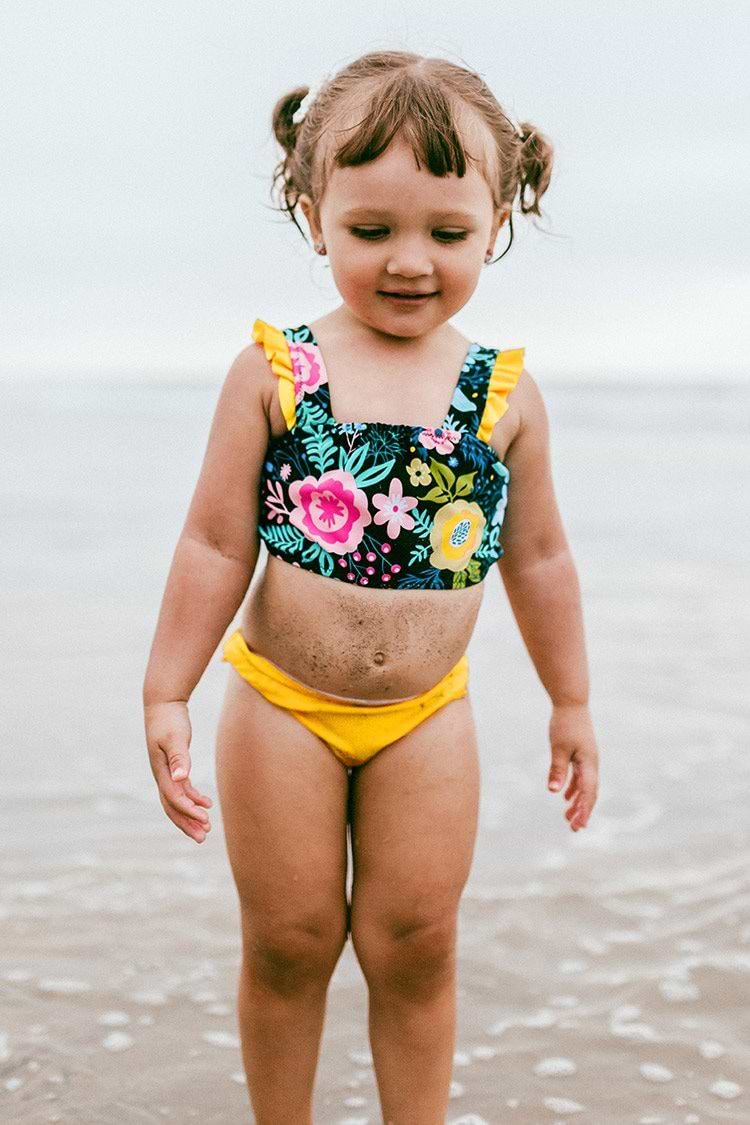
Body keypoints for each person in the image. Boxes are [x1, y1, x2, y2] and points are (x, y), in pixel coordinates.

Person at [142, 49, 600, 1125]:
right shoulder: (277, 372)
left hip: (425, 717)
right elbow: (215, 545)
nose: (409, 261)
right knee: (291, 941)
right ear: (313, 214)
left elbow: (539, 559)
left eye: (446, 233)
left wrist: (571, 702)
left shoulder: (505, 394)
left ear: (496, 221)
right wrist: (168, 688)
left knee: (417, 944)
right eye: (371, 230)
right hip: (282, 708)